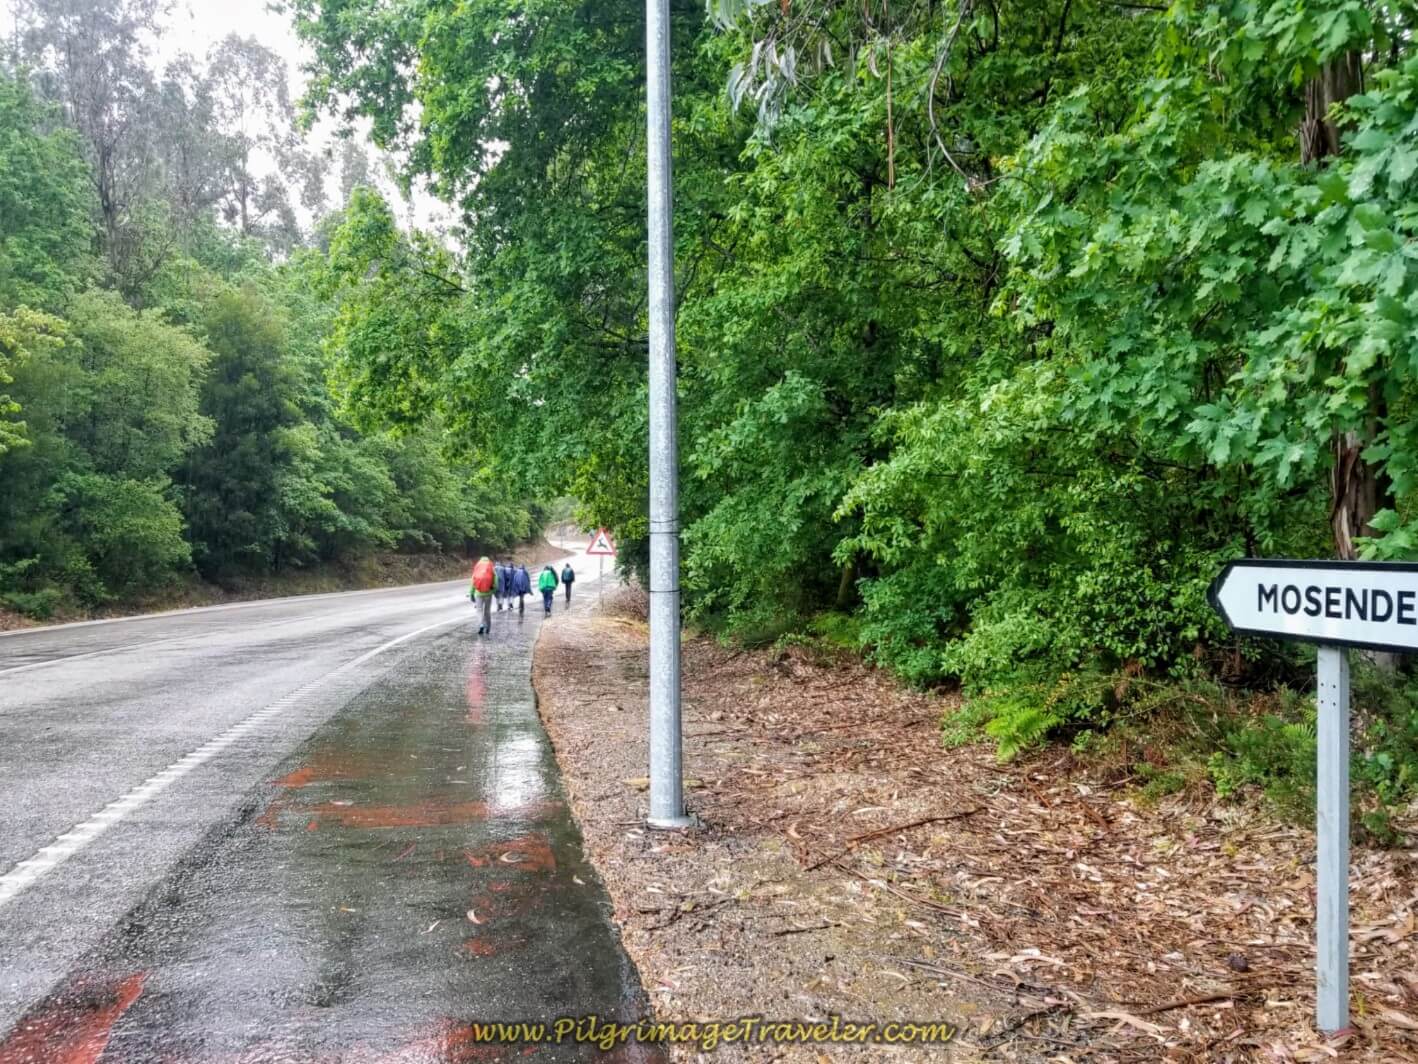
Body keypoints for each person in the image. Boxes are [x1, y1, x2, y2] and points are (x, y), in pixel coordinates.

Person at [470, 556, 500, 635]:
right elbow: (496, 583)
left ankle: (481, 624)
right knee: (487, 611)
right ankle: (488, 628)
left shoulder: (477, 567)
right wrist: (493, 591)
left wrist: (471, 593)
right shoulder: (491, 567)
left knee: (479, 610)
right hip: (488, 593)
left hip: (478, 593)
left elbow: (473, 582)